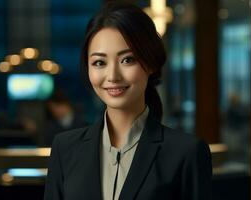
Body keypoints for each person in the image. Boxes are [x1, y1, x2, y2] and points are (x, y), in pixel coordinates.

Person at [44, 2, 212, 200]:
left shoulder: (186, 153)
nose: (112, 76)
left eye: (127, 60)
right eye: (100, 62)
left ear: (149, 63)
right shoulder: (65, 148)